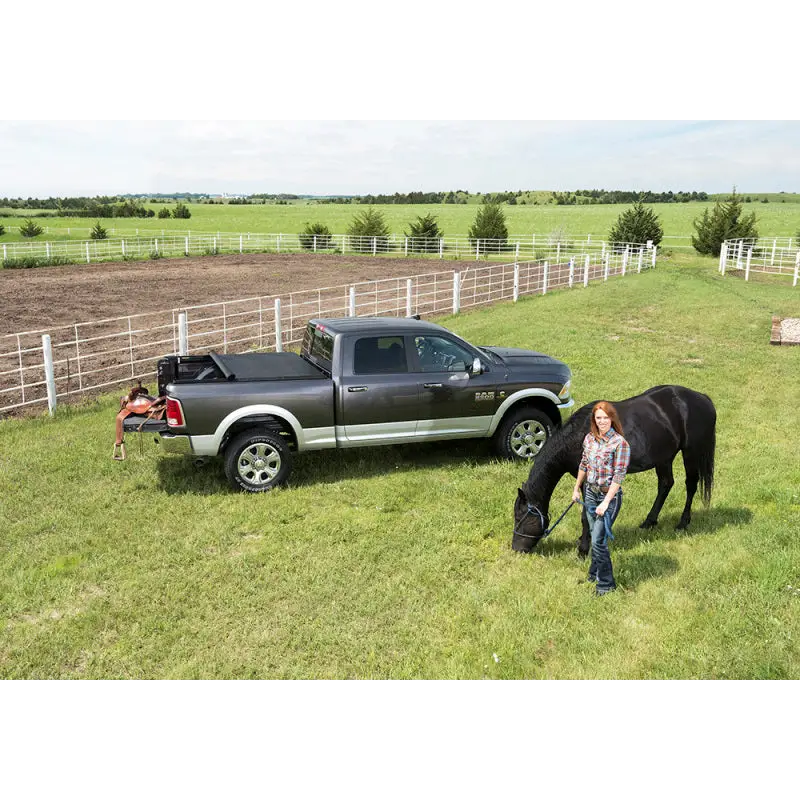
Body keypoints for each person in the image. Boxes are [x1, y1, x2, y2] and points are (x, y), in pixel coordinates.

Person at [571, 401, 631, 595]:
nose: (602, 421)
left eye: (606, 418)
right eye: (599, 418)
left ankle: (606, 584)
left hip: (608, 497)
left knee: (598, 541)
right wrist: (576, 488)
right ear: (594, 420)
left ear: (612, 419)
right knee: (593, 534)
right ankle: (593, 572)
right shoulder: (589, 439)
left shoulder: (620, 444)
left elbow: (619, 476)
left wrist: (605, 502)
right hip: (589, 493)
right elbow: (584, 464)